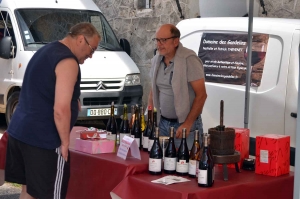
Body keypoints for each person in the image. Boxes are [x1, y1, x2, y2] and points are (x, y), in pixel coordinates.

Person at [5, 22, 100, 199]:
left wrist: (74, 99)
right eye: (92, 49)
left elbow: (43, 88)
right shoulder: (68, 61)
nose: (91, 55)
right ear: (81, 40)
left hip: (20, 133)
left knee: (28, 192)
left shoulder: (46, 50)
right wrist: (64, 143)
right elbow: (60, 109)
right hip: (43, 140)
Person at [148, 24, 207, 149]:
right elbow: (153, 92)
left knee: (186, 165)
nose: (159, 44)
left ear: (175, 41)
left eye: (163, 40)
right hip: (162, 124)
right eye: (157, 40)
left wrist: (188, 123)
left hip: (185, 127)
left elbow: (201, 95)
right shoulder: (156, 61)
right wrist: (148, 118)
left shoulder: (189, 59)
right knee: (161, 164)